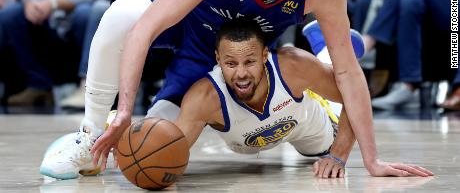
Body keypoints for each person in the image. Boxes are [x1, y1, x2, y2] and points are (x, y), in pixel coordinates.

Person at [40, 0, 390, 179]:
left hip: (228, 52)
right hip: (187, 12)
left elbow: (349, 75)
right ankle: (90, 135)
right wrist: (126, 111)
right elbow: (142, 30)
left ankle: (324, 57)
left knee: (161, 141)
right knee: (118, 17)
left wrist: (367, 159)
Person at [159, 19, 432, 178]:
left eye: (250, 61)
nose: (240, 74)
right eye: (230, 64)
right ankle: (322, 49)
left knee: (329, 108)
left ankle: (330, 49)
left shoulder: (291, 66)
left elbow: (355, 95)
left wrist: (338, 156)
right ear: (218, 59)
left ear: (265, 55)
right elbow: (169, 155)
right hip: (253, 138)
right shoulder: (204, 97)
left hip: (308, 125)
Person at [0, 0, 123, 106]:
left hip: (84, 23)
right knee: (11, 14)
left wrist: (56, 3)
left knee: (87, 12)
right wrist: (31, 3)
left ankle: (89, 87)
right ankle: (39, 85)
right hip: (47, 21)